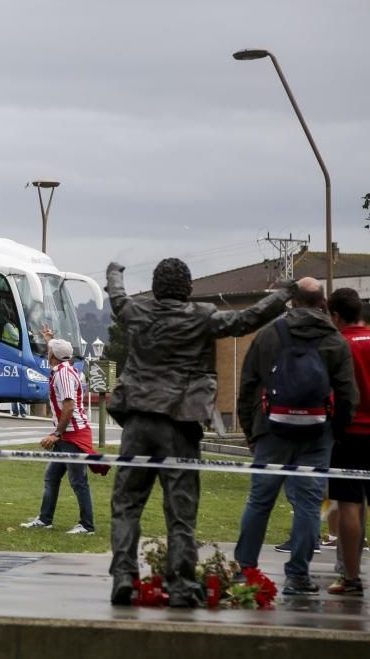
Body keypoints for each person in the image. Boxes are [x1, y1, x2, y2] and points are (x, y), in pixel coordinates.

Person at [106, 259, 296, 607]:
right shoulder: (202, 316)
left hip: (137, 420)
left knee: (127, 504)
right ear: (188, 288)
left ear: (156, 286)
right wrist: (282, 295)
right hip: (179, 421)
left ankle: (123, 574)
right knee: (181, 509)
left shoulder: (136, 311)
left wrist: (114, 273)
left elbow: (117, 299)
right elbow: (245, 320)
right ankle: (179, 584)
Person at [233, 278, 357, 596]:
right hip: (317, 434)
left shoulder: (269, 335)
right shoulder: (334, 340)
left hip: (271, 430)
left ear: (294, 302)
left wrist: (252, 432)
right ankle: (298, 576)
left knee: (260, 501)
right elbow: (347, 395)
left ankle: (245, 568)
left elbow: (248, 386)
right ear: (323, 304)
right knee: (309, 504)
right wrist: (335, 433)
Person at [20, 333, 106, 534]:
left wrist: (57, 434)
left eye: (49, 350)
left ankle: (86, 525)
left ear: (53, 355)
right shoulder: (63, 368)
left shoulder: (63, 375)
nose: (46, 352)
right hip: (67, 433)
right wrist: (51, 338)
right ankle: (45, 519)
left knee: (78, 481)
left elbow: (68, 406)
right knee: (52, 476)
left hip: (71, 434)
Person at [325, 287, 370, 596]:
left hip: (351, 434)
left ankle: (351, 578)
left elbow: (332, 395)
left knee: (349, 505)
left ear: (336, 315)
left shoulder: (338, 346)